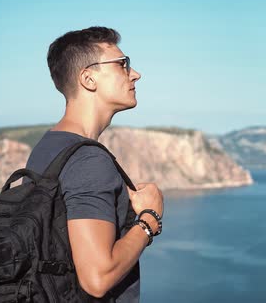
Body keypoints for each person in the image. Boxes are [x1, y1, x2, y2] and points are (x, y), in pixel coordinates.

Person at [24, 26, 164, 302]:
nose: (135, 73)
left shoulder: (47, 148)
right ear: (88, 78)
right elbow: (97, 278)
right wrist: (150, 219)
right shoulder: (88, 160)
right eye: (123, 65)